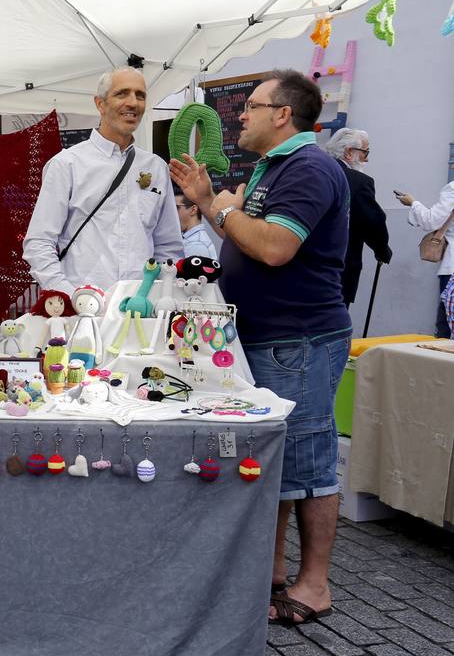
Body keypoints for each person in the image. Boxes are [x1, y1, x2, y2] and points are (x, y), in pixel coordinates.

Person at [171, 69, 349, 627]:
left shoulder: (311, 167)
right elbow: (245, 237)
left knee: (308, 460)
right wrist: (212, 204)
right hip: (268, 335)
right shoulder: (276, 167)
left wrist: (218, 208)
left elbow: (273, 248)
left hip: (300, 337)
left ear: (283, 115)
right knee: (275, 459)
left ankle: (314, 584)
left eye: (250, 105)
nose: (239, 115)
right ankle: (271, 572)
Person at [23, 67, 183, 295]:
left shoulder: (155, 167)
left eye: (140, 95)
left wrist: (156, 296)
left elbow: (168, 247)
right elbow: (38, 244)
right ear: (100, 104)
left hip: (140, 311)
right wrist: (68, 296)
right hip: (84, 313)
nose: (133, 103)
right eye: (122, 94)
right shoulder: (66, 165)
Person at [325, 128, 391, 307]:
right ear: (348, 152)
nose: (367, 158)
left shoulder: (316, 172)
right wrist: (382, 249)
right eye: (365, 152)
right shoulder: (358, 182)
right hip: (338, 270)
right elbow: (373, 222)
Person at [397, 179, 454, 339]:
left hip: (452, 271)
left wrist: (413, 203)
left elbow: (431, 221)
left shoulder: (452, 189)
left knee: (446, 331)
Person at [175, 188, 217, 260]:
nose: (172, 213)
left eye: (176, 208)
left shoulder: (196, 245)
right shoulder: (193, 241)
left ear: (193, 210)